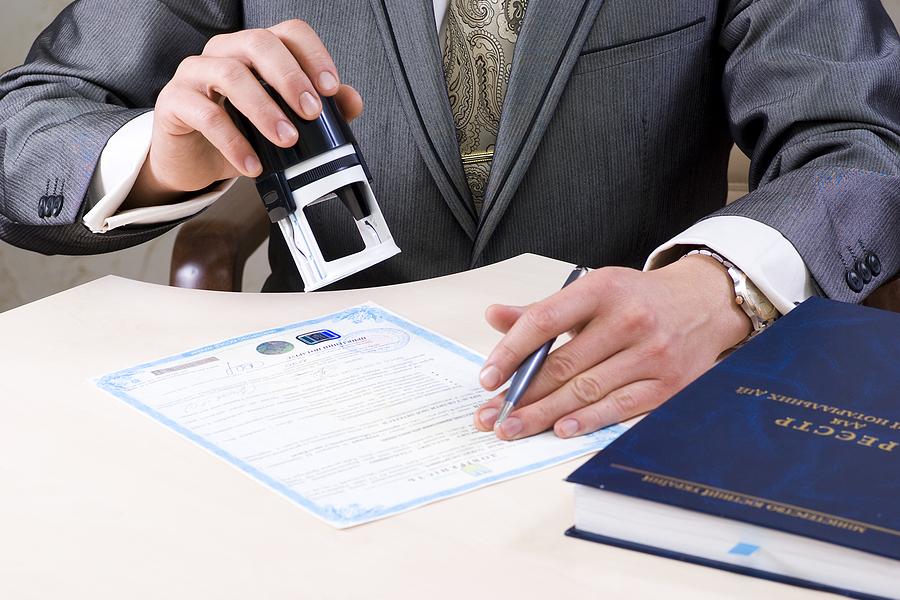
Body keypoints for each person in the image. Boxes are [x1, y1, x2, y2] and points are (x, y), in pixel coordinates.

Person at [1, 1, 898, 442]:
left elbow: (866, 140)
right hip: (312, 409)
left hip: (632, 405)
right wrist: (159, 156)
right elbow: (25, 121)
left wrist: (720, 289)